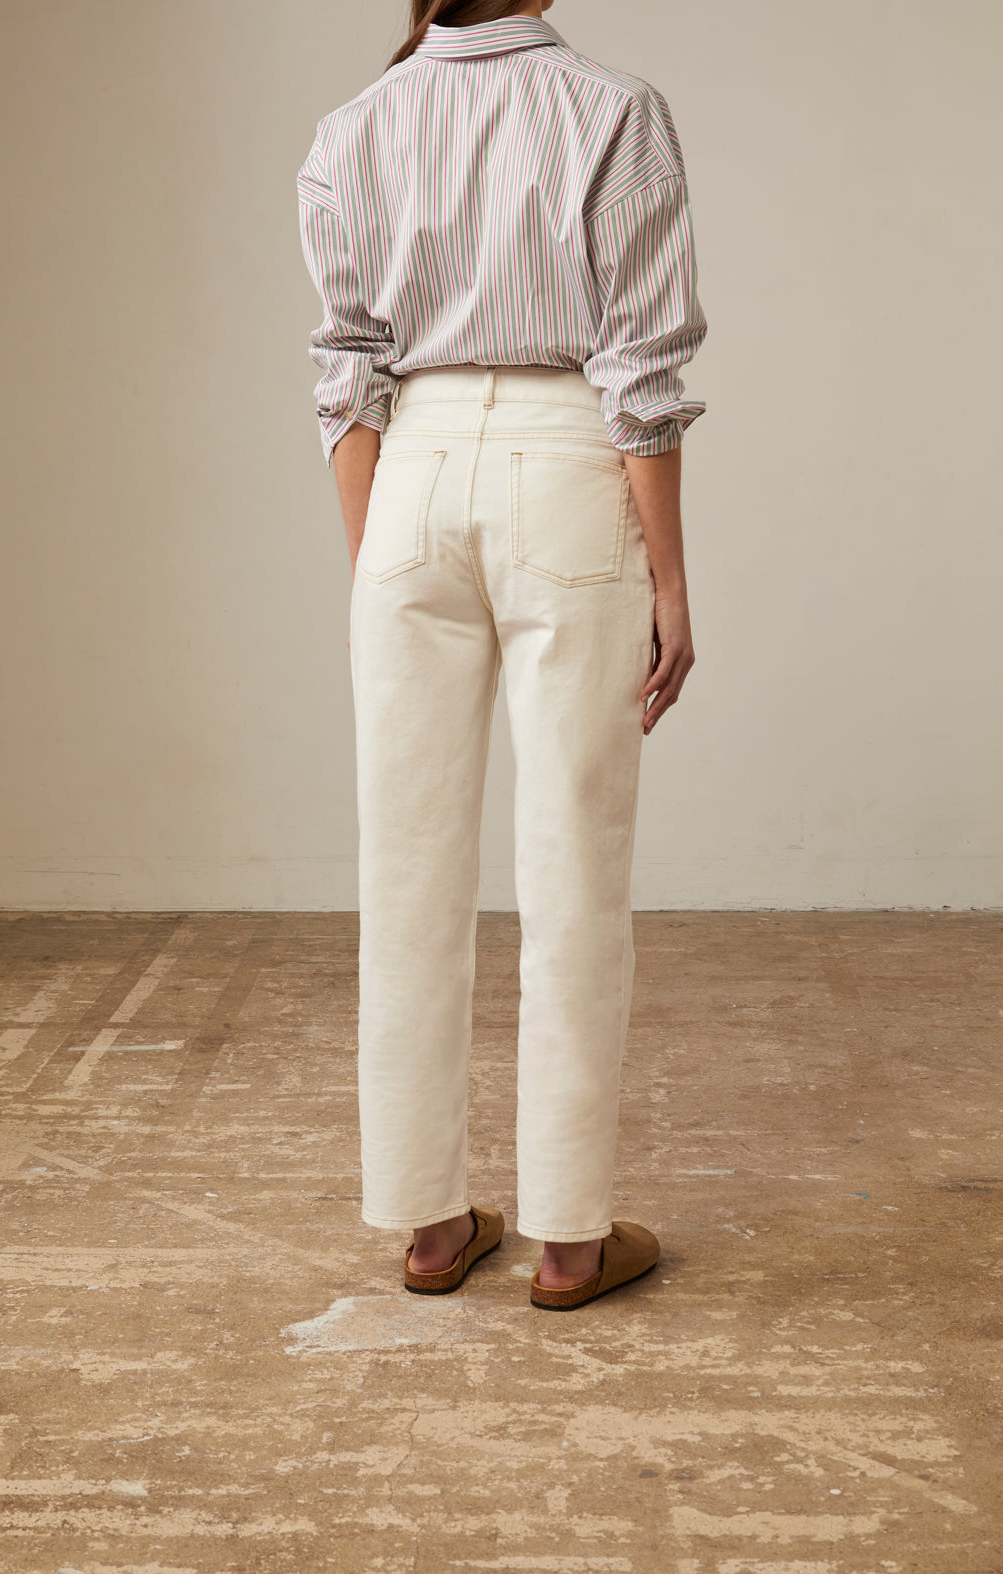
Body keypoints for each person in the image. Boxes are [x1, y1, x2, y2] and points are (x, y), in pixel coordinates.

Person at [296, 0, 708, 1310]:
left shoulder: (355, 126)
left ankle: (430, 1224)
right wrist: (668, 574)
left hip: (408, 478)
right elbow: (641, 367)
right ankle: (571, 1239)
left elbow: (347, 367)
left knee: (405, 858)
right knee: (574, 855)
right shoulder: (612, 110)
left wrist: (376, 562)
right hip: (566, 467)